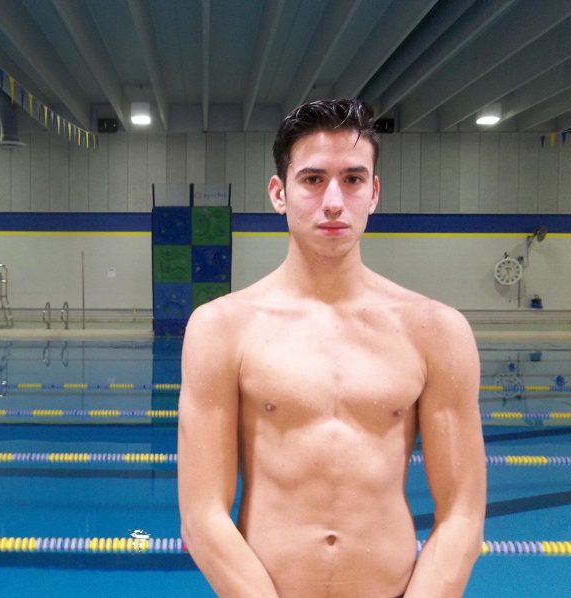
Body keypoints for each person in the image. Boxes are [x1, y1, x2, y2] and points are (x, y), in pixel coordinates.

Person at [177, 98, 485, 597]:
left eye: (353, 179)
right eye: (313, 179)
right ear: (279, 192)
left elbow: (463, 515)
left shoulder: (436, 331)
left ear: (374, 192)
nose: (334, 201)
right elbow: (202, 517)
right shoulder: (221, 328)